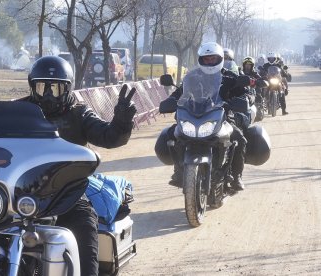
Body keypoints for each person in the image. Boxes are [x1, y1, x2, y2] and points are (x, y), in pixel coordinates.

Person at [22, 56, 137, 276]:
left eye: (55, 88)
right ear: (32, 86)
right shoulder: (19, 112)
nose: (47, 94)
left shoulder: (79, 113)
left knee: (85, 222)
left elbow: (109, 136)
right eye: (41, 86)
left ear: (67, 89)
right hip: (21, 193)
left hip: (67, 194)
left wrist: (122, 121)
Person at [155, 42, 248, 191]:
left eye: (213, 59)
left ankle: (236, 177)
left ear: (220, 59)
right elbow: (179, 92)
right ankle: (179, 172)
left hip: (222, 118)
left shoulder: (229, 77)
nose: (210, 62)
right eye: (206, 59)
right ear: (201, 59)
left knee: (239, 139)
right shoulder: (192, 76)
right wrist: (170, 101)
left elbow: (242, 94)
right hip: (193, 115)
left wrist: (241, 100)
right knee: (172, 135)